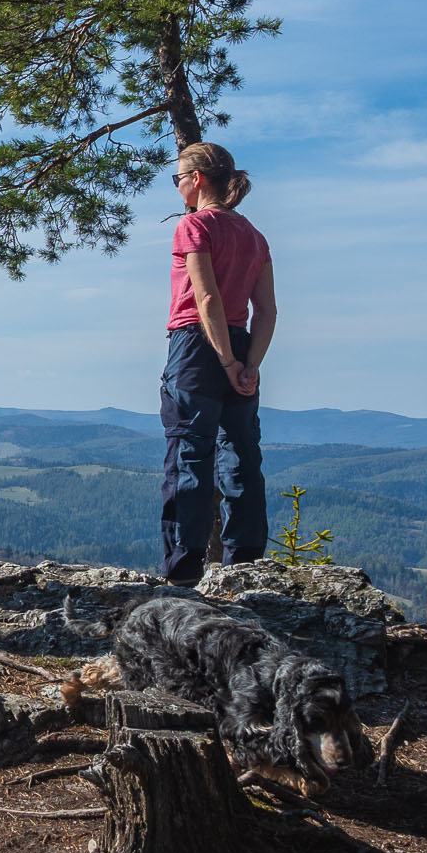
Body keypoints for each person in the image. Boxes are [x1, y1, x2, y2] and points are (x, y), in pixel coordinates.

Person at [160, 141, 277, 585]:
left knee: (190, 453)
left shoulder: (194, 226)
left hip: (195, 345)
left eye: (178, 179)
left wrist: (226, 362)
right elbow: (267, 310)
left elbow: (205, 297)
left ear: (198, 180)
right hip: (243, 342)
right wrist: (251, 364)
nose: (178, 187)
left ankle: (183, 570)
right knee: (242, 453)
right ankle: (244, 565)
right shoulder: (254, 236)